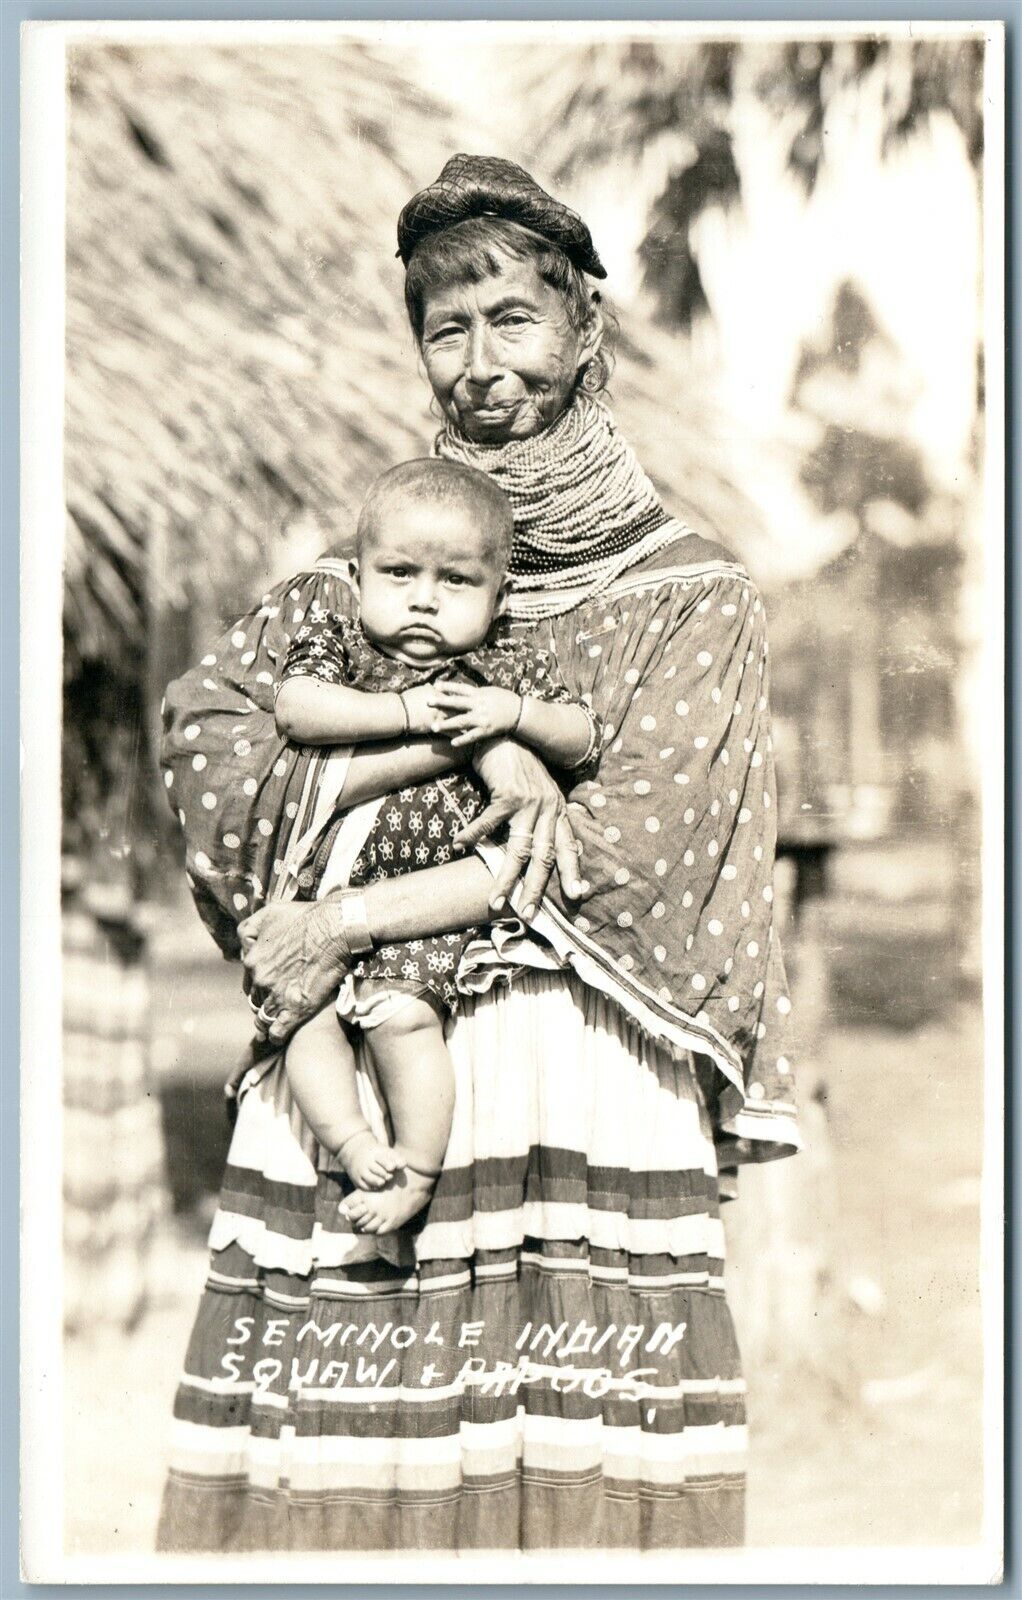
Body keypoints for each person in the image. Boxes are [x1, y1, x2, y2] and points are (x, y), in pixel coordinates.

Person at [157, 153, 801, 1554]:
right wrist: (459, 740)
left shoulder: (689, 595)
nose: (478, 362)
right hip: (373, 1087)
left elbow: (633, 847)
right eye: (444, 328)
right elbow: (207, 736)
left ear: (585, 330)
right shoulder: (366, 571)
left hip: (576, 1081)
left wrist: (343, 918)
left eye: (512, 318)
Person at [275, 456, 599, 1232]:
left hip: (425, 904)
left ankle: (415, 1169)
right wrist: (416, 713)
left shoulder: (499, 666)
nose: (422, 599)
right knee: (302, 1020)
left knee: (402, 1019)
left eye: (455, 582)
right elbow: (297, 708)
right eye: (398, 574)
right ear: (359, 575)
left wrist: (514, 713)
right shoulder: (347, 647)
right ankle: (354, 1145)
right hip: (318, 890)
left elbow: (581, 733)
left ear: (499, 597)